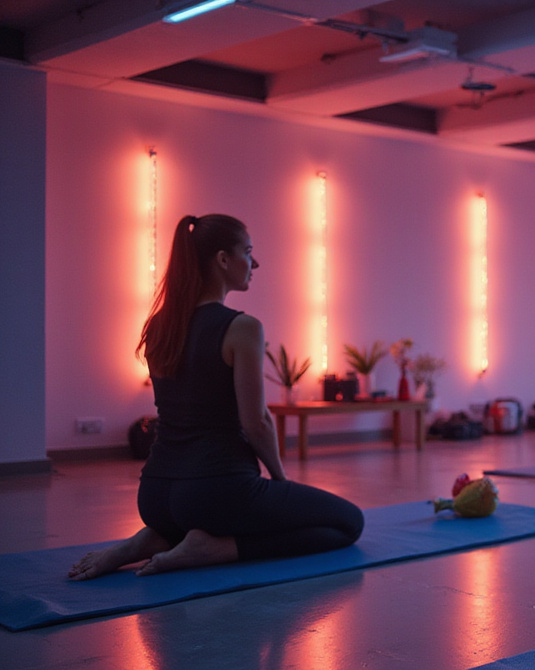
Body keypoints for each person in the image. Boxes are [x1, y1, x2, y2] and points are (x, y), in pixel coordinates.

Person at [68, 214, 364, 581]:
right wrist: (279, 479)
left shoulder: (160, 326)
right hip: (216, 492)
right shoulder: (242, 327)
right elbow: (255, 422)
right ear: (223, 259)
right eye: (248, 252)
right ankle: (219, 548)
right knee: (348, 524)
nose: (254, 263)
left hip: (155, 495)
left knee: (225, 515)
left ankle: (151, 540)